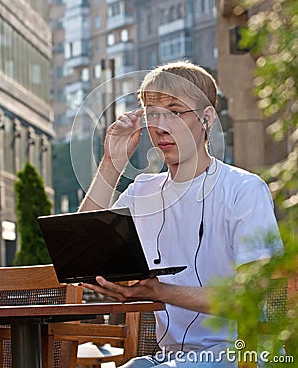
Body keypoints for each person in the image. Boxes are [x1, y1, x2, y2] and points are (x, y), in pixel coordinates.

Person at [79, 61, 283, 367]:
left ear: (206, 117)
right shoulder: (142, 191)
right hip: (171, 359)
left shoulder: (244, 189)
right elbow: (83, 248)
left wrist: (160, 291)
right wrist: (112, 163)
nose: (162, 126)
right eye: (152, 113)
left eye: (175, 111)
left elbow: (251, 298)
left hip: (244, 354)